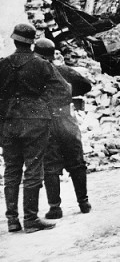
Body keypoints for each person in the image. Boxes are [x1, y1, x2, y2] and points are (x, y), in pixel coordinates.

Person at [0, 24, 61, 233]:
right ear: (32, 41)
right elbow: (62, 89)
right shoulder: (42, 64)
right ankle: (31, 219)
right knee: (34, 168)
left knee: (12, 170)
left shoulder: (3, 64)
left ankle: (12, 220)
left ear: (15, 40)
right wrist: (45, 104)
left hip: (9, 121)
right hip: (35, 121)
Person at [34, 38, 92, 219]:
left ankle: (55, 207)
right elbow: (86, 84)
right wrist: (68, 94)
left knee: (50, 164)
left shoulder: (33, 75)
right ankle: (83, 202)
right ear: (52, 55)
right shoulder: (63, 71)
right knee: (76, 161)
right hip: (66, 118)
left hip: (45, 122)